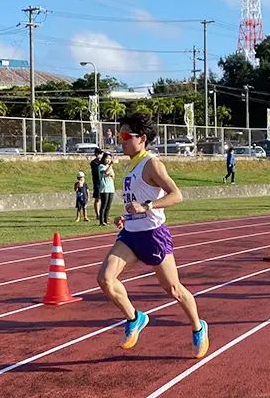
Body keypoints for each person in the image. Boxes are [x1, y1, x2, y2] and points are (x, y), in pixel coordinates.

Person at [96, 112, 209, 357]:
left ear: (142, 138)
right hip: (131, 234)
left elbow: (176, 195)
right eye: (120, 135)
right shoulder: (128, 164)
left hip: (154, 235)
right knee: (105, 279)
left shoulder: (152, 163)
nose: (121, 140)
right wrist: (126, 217)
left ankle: (198, 327)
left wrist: (147, 206)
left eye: (126, 135)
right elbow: (135, 200)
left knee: (174, 289)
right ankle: (134, 318)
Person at [97, 152, 116, 226]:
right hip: (104, 188)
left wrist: (110, 172)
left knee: (108, 205)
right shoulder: (101, 166)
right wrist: (111, 165)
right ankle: (101, 221)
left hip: (111, 188)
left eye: (109, 158)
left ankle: (105, 219)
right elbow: (106, 172)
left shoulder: (109, 166)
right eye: (107, 158)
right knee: (104, 205)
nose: (108, 160)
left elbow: (113, 175)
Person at [90, 148, 103, 220]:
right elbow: (96, 171)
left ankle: (102, 213)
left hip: (103, 182)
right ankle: (97, 214)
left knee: (104, 199)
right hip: (97, 182)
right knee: (98, 199)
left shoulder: (103, 162)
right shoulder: (93, 163)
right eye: (99, 153)